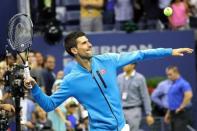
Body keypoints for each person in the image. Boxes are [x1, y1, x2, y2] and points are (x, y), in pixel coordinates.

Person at [24, 31, 193, 131]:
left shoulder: (108, 60)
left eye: (88, 41)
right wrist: (35, 88)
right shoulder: (71, 80)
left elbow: (141, 54)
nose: (90, 44)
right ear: (74, 50)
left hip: (121, 126)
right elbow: (49, 104)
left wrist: (170, 51)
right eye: (84, 43)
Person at [117, 63, 154, 131]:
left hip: (134, 110)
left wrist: (149, 113)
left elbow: (145, 97)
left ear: (133, 65)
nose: (124, 66)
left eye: (126, 64)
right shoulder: (119, 77)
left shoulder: (140, 78)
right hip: (120, 111)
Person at [164, 66, 193, 131]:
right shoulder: (173, 85)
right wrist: (168, 113)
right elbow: (172, 101)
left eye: (170, 74)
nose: (168, 77)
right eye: (167, 75)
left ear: (176, 72)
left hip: (180, 114)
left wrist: (181, 107)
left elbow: (189, 95)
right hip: (172, 113)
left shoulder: (183, 83)